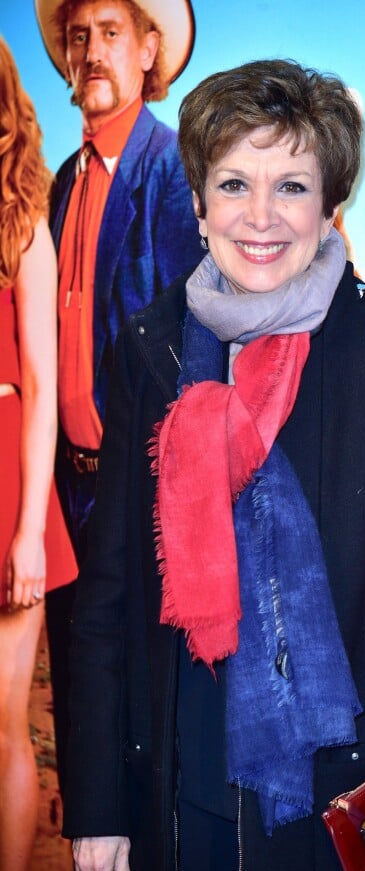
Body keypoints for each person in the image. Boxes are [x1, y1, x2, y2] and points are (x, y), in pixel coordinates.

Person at [62, 59, 365, 871]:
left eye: (292, 186)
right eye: (234, 184)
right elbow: (107, 597)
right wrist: (97, 804)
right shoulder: (149, 350)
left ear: (330, 204)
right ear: (197, 205)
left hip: (351, 798)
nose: (260, 217)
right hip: (182, 792)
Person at [34, 0, 204, 791]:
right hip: (65, 494)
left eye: (110, 34)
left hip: (140, 492)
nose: (91, 51)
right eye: (78, 38)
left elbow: (186, 350)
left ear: (148, 52)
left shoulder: (172, 168)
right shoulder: (59, 185)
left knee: (144, 721)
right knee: (79, 715)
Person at [0, 37, 77, 871]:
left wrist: (27, 531)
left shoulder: (23, 218)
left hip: (6, 486)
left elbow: (39, 384)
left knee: (3, 728)